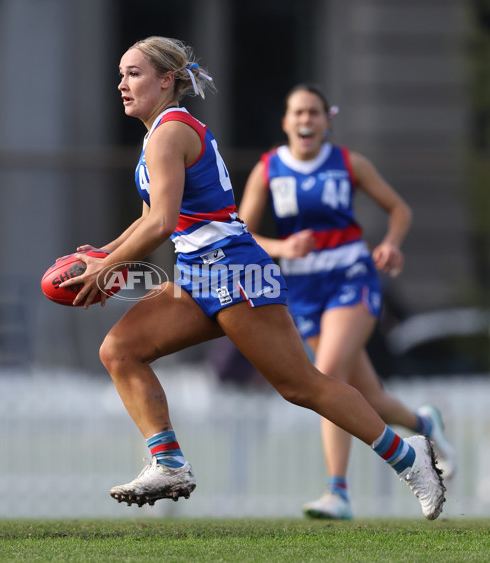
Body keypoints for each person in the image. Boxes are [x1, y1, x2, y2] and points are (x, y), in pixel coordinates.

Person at [59, 37, 445, 520]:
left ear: (166, 80)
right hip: (199, 273)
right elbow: (147, 221)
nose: (122, 84)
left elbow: (161, 224)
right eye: (121, 73)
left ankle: (411, 460)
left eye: (134, 73)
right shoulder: (156, 134)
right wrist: (103, 254)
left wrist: (107, 267)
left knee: (301, 385)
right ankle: (169, 462)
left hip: (232, 267)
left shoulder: (169, 132)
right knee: (119, 350)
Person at [237, 83, 456, 520]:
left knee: (326, 376)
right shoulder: (267, 170)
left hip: (351, 278)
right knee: (363, 397)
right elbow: (242, 233)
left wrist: (392, 244)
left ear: (326, 121)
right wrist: (281, 249)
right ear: (285, 122)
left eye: (314, 113)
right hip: (301, 291)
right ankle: (426, 424)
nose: (305, 121)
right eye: (298, 113)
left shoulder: (348, 163)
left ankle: (338, 491)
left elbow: (400, 210)